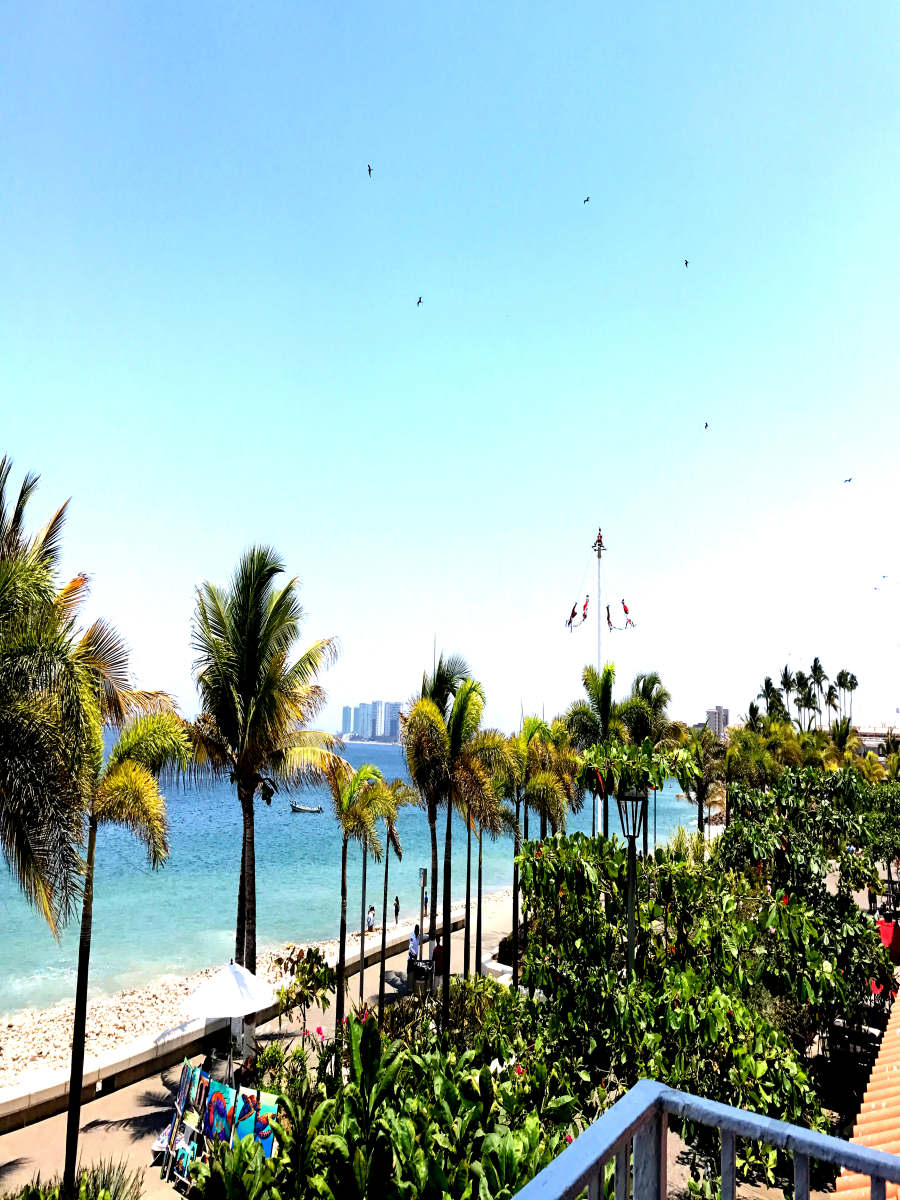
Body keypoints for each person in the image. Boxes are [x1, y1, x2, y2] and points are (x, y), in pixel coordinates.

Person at [407, 923, 420, 990]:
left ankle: (412, 987)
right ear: (415, 930)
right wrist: (414, 954)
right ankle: (409, 988)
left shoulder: (418, 936)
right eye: (417, 931)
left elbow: (423, 936)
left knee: (414, 972)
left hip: (415, 957)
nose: (418, 932)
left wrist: (429, 936)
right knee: (410, 972)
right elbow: (410, 947)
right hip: (411, 957)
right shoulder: (412, 937)